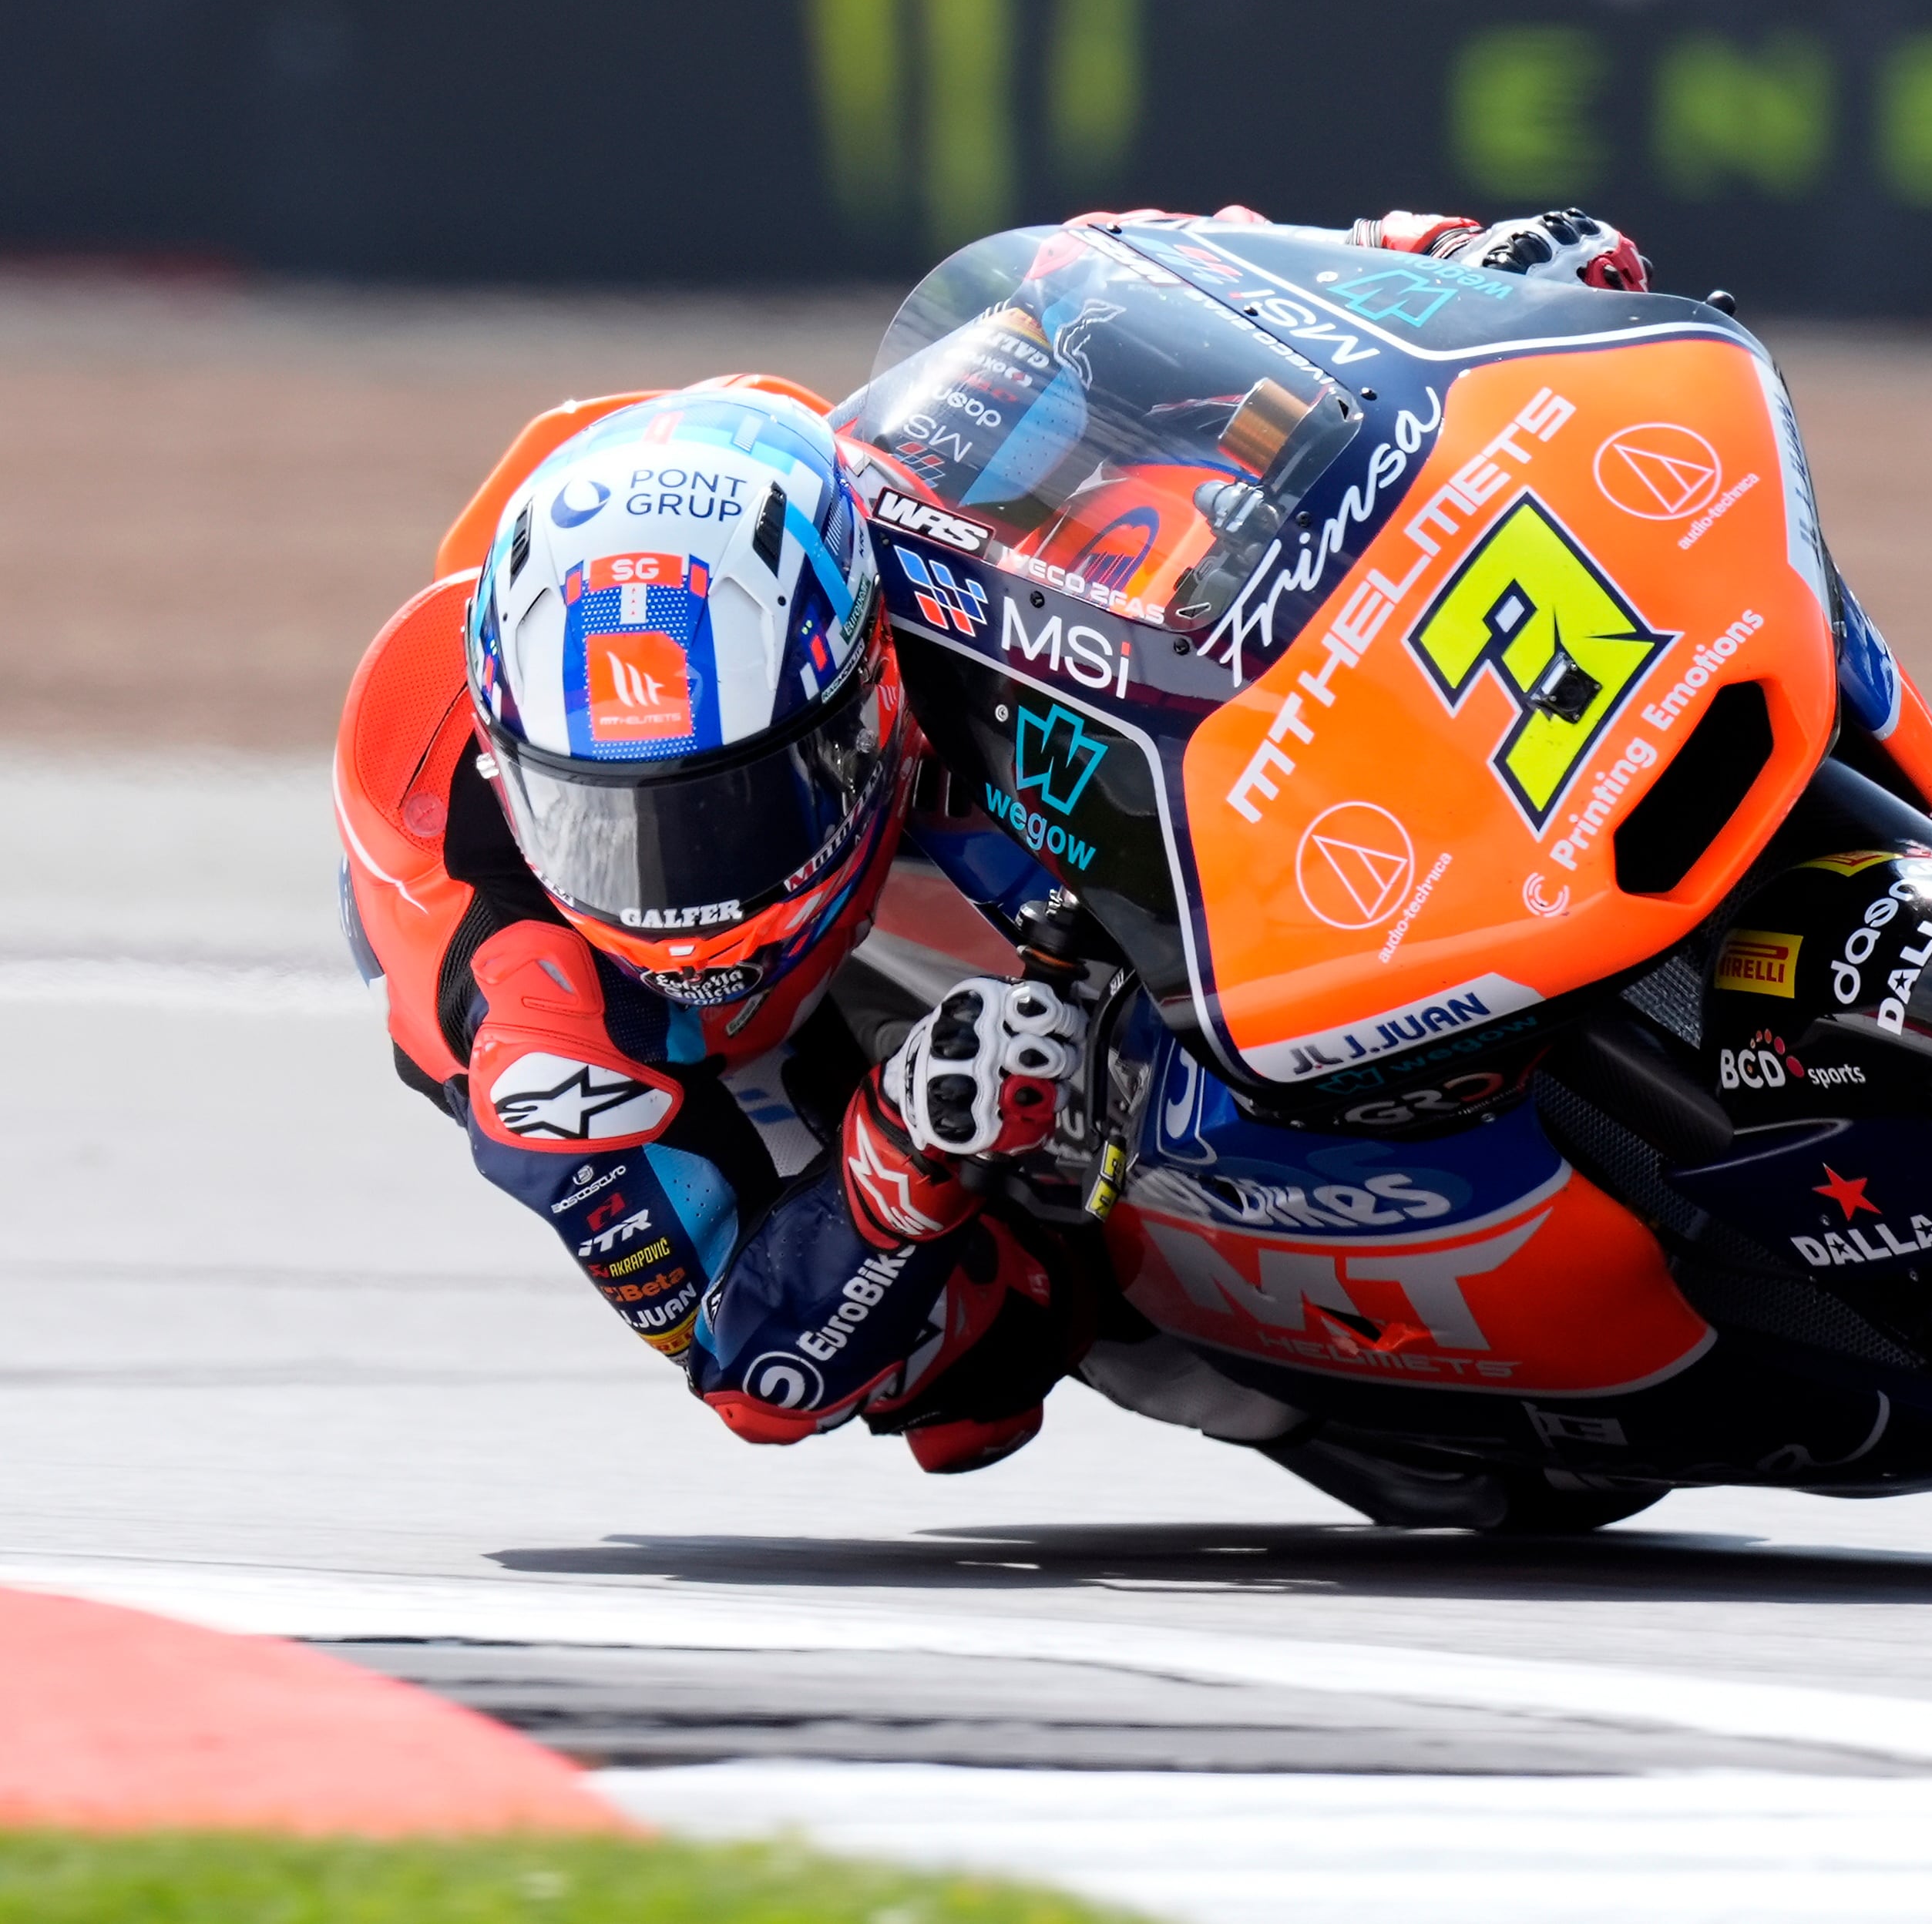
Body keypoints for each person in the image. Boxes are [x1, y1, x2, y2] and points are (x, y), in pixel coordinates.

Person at [334, 207, 1650, 1476]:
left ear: (853, 697)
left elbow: (1147, 289)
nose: (679, 897)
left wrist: (1426, 261)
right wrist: (907, 1148)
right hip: (689, 1055)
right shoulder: (539, 1036)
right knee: (962, 1371)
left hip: (775, 594)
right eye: (607, 829)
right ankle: (1264, 1348)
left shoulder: (874, 507)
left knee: (1178, 502)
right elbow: (757, 1374)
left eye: (727, 817)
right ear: (520, 777)